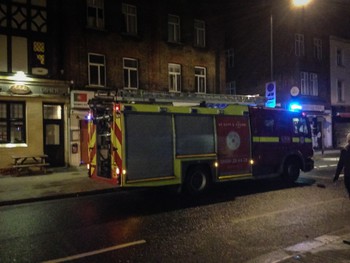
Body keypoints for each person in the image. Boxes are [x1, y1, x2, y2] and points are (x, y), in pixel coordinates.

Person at [333, 133, 350, 198]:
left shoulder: (344, 151)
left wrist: (336, 177)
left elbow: (340, 165)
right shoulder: (344, 151)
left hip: (348, 177)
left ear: (347, 140)